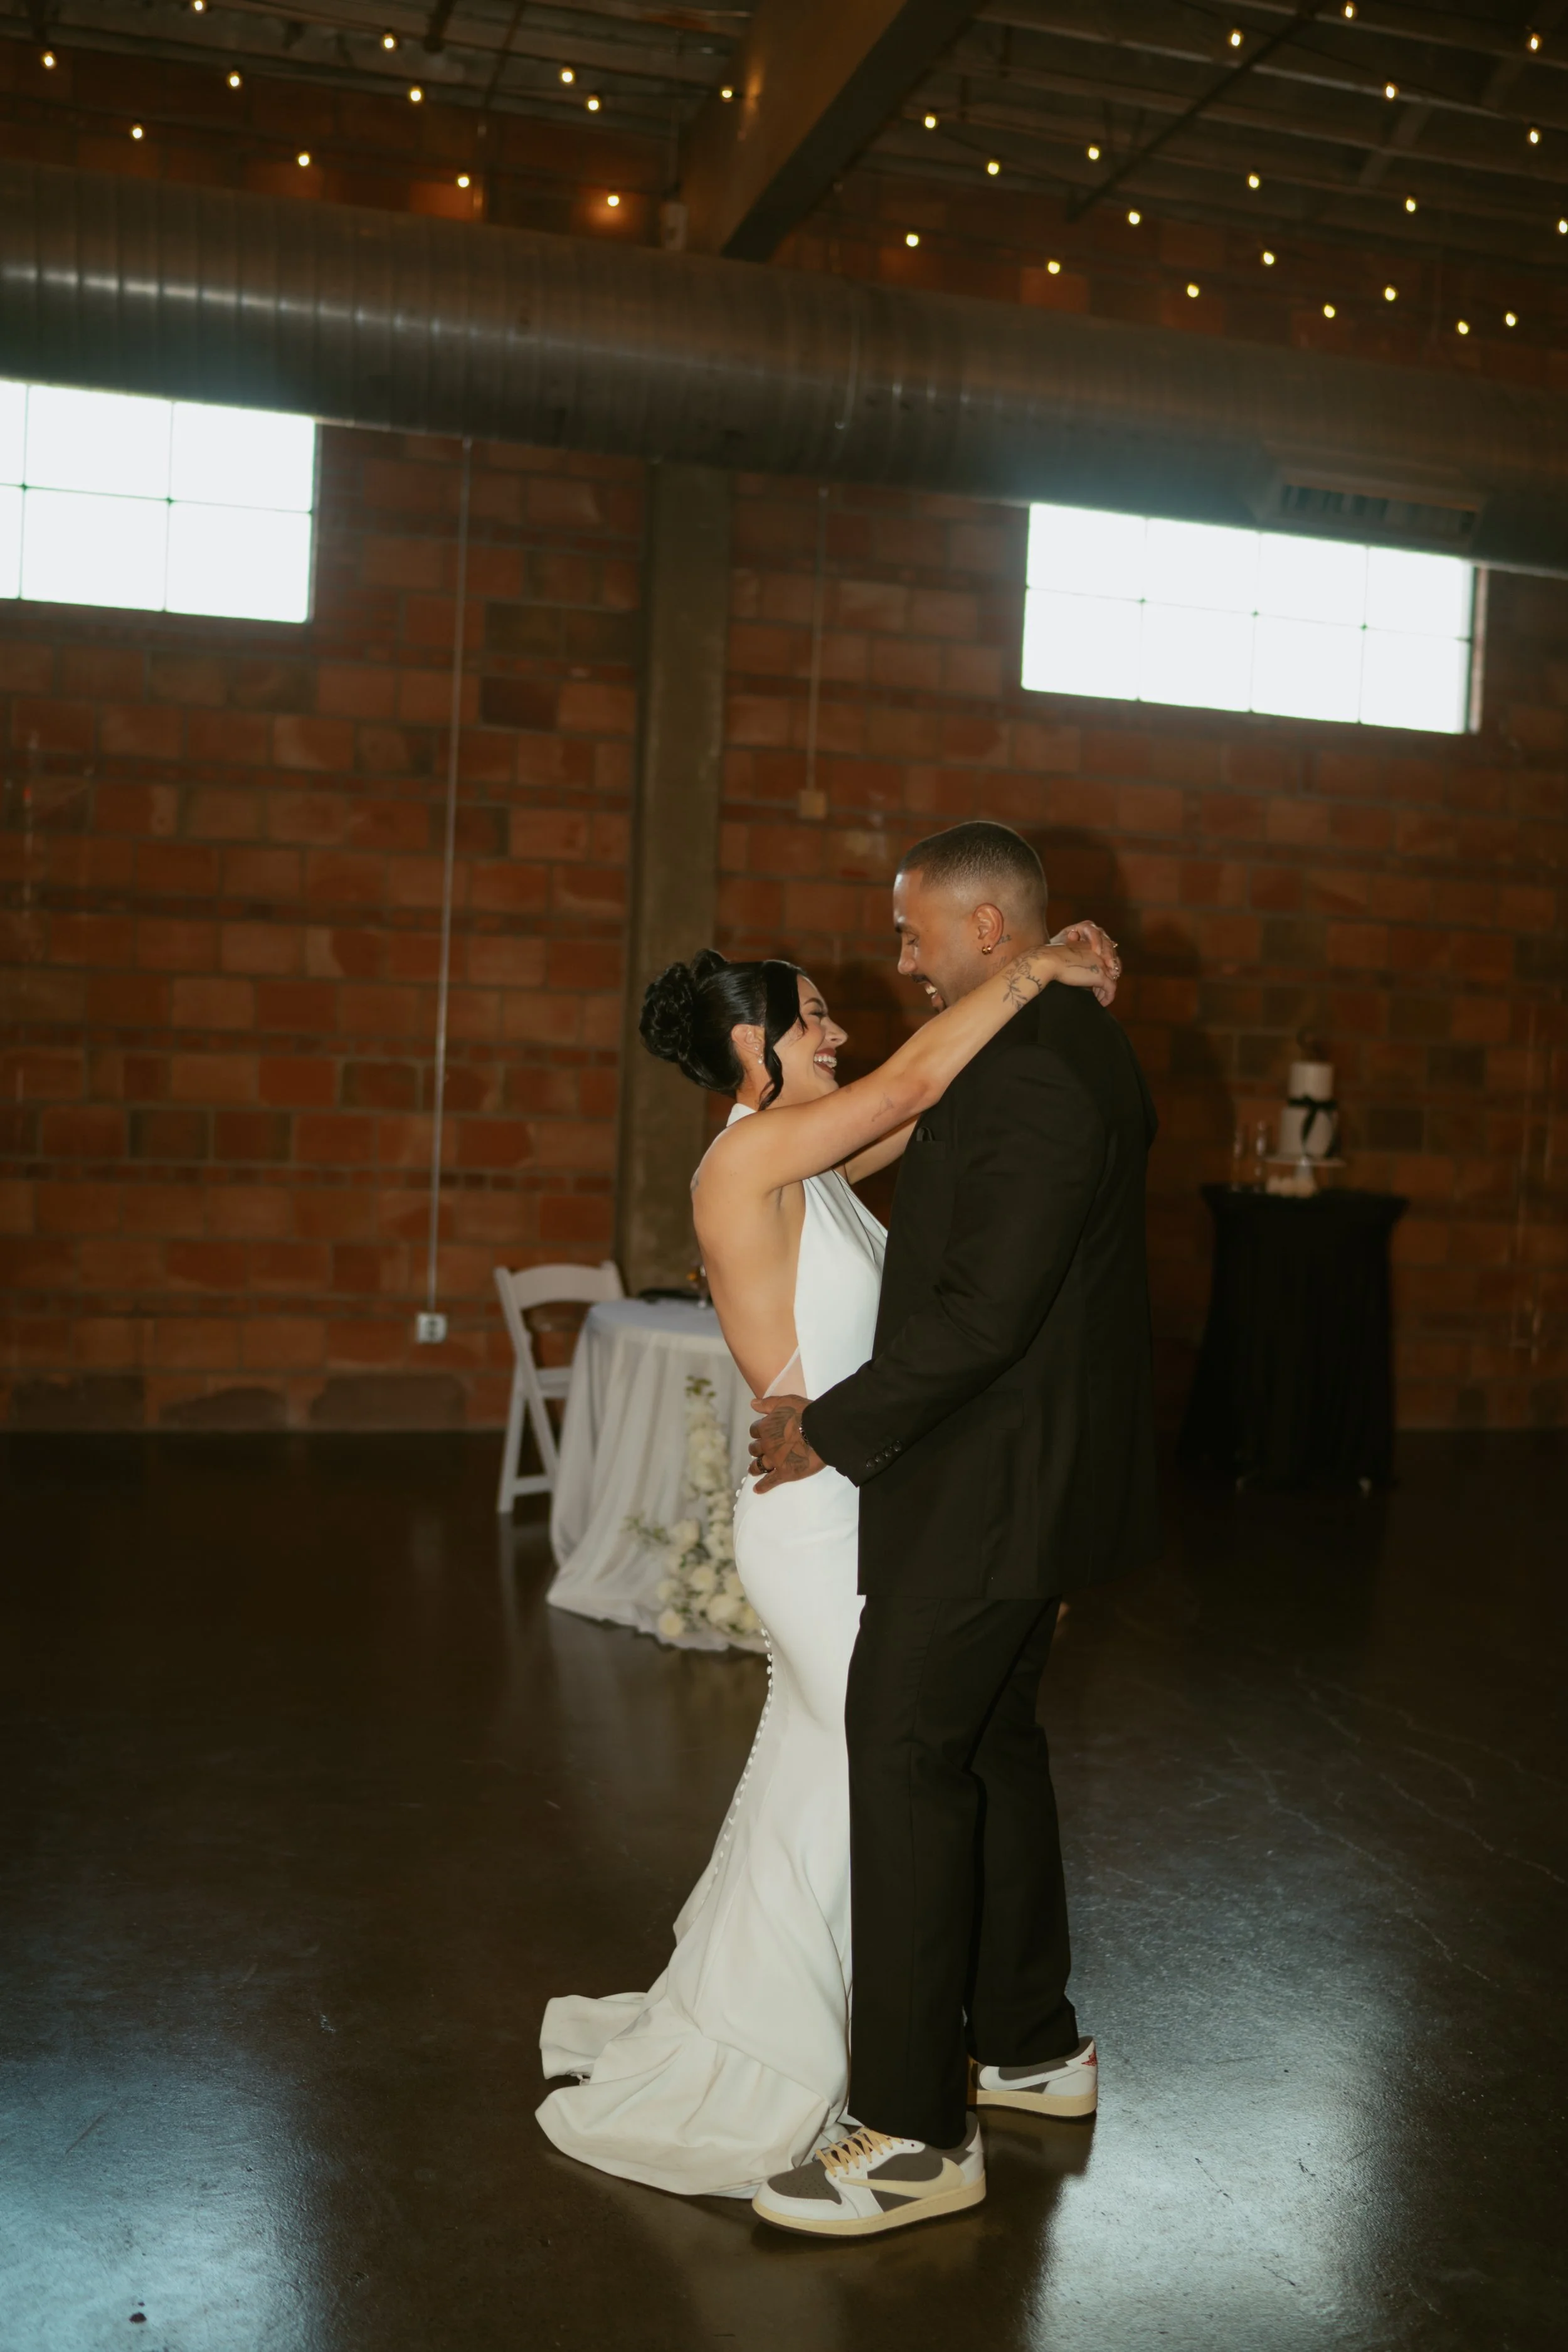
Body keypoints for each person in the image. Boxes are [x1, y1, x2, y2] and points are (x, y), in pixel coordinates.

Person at [536, 902, 1117, 2199]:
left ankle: (892, 2042)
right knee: (870, 1779)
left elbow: (926, 1105)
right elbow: (915, 1075)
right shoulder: (739, 1167)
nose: (842, 1029)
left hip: (876, 1496)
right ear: (753, 1043)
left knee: (837, 1773)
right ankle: (828, 2069)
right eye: (811, 1019)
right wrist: (1032, 965)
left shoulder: (801, 1161)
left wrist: (1040, 1010)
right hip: (816, 1527)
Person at [748, 820, 1159, 2239]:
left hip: (990, 1481)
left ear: (990, 931)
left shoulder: (1041, 1071)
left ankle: (915, 2136)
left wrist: (830, 1426)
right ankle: (1030, 2047)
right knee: (989, 1745)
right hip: (1016, 1476)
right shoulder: (1035, 1038)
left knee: (908, 1760)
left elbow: (985, 1312)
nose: (899, 956)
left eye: (915, 932)